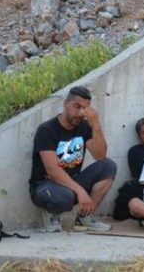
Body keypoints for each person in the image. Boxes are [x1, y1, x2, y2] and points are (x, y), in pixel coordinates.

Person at [29, 86, 117, 232]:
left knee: (108, 166)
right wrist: (80, 191)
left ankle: (84, 217)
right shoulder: (47, 130)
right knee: (66, 195)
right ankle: (52, 217)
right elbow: (52, 170)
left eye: (85, 108)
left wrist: (96, 126)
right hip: (45, 185)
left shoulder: (84, 127)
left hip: (71, 183)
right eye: (77, 106)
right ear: (66, 104)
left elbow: (100, 156)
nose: (81, 112)